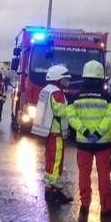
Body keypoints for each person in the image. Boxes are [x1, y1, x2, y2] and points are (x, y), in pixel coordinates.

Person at [67, 60, 111, 216]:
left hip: (84, 142)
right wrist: (98, 133)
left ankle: (85, 204)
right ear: (101, 77)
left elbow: (71, 117)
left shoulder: (75, 97)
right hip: (102, 142)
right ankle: (106, 207)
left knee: (84, 173)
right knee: (104, 174)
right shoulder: (108, 97)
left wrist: (84, 131)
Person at [31, 64, 74, 204]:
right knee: (56, 162)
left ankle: (49, 191)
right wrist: (73, 106)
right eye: (64, 78)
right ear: (57, 78)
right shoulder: (56, 92)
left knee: (50, 161)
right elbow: (60, 112)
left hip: (49, 132)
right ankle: (56, 191)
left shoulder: (46, 90)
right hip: (56, 133)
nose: (66, 81)